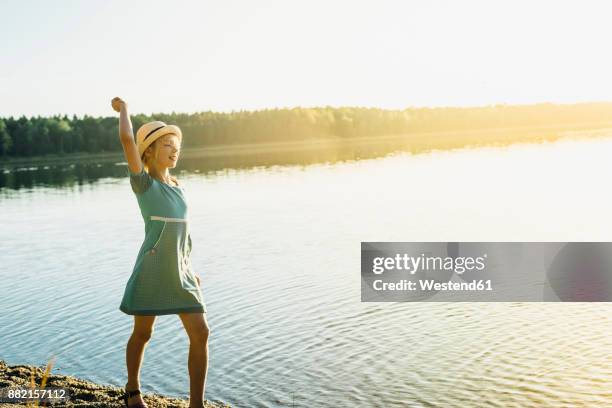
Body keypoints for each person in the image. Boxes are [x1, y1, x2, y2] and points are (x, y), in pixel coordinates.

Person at [111, 97, 210, 408]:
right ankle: (132, 389)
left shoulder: (179, 187)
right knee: (142, 334)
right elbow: (127, 139)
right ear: (149, 152)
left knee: (201, 332)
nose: (174, 148)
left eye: (175, 143)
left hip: (180, 273)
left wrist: (189, 266)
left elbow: (184, 236)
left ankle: (197, 403)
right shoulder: (144, 185)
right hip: (152, 271)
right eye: (166, 143)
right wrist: (124, 109)